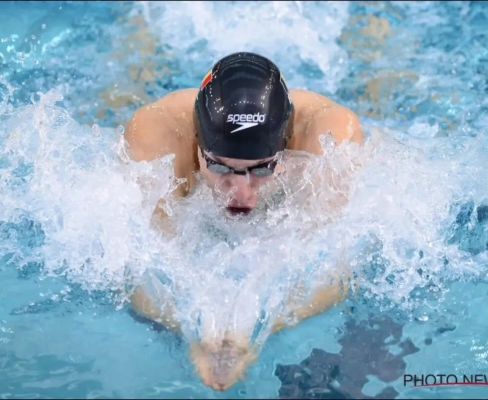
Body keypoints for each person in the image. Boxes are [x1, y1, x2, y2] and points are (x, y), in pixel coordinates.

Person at [122, 52, 364, 391]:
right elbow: (137, 267)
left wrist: (256, 329)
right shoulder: (157, 138)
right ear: (196, 142)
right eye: (218, 166)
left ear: (286, 146)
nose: (241, 192)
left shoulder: (330, 140)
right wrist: (194, 331)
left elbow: (337, 272)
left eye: (262, 169)